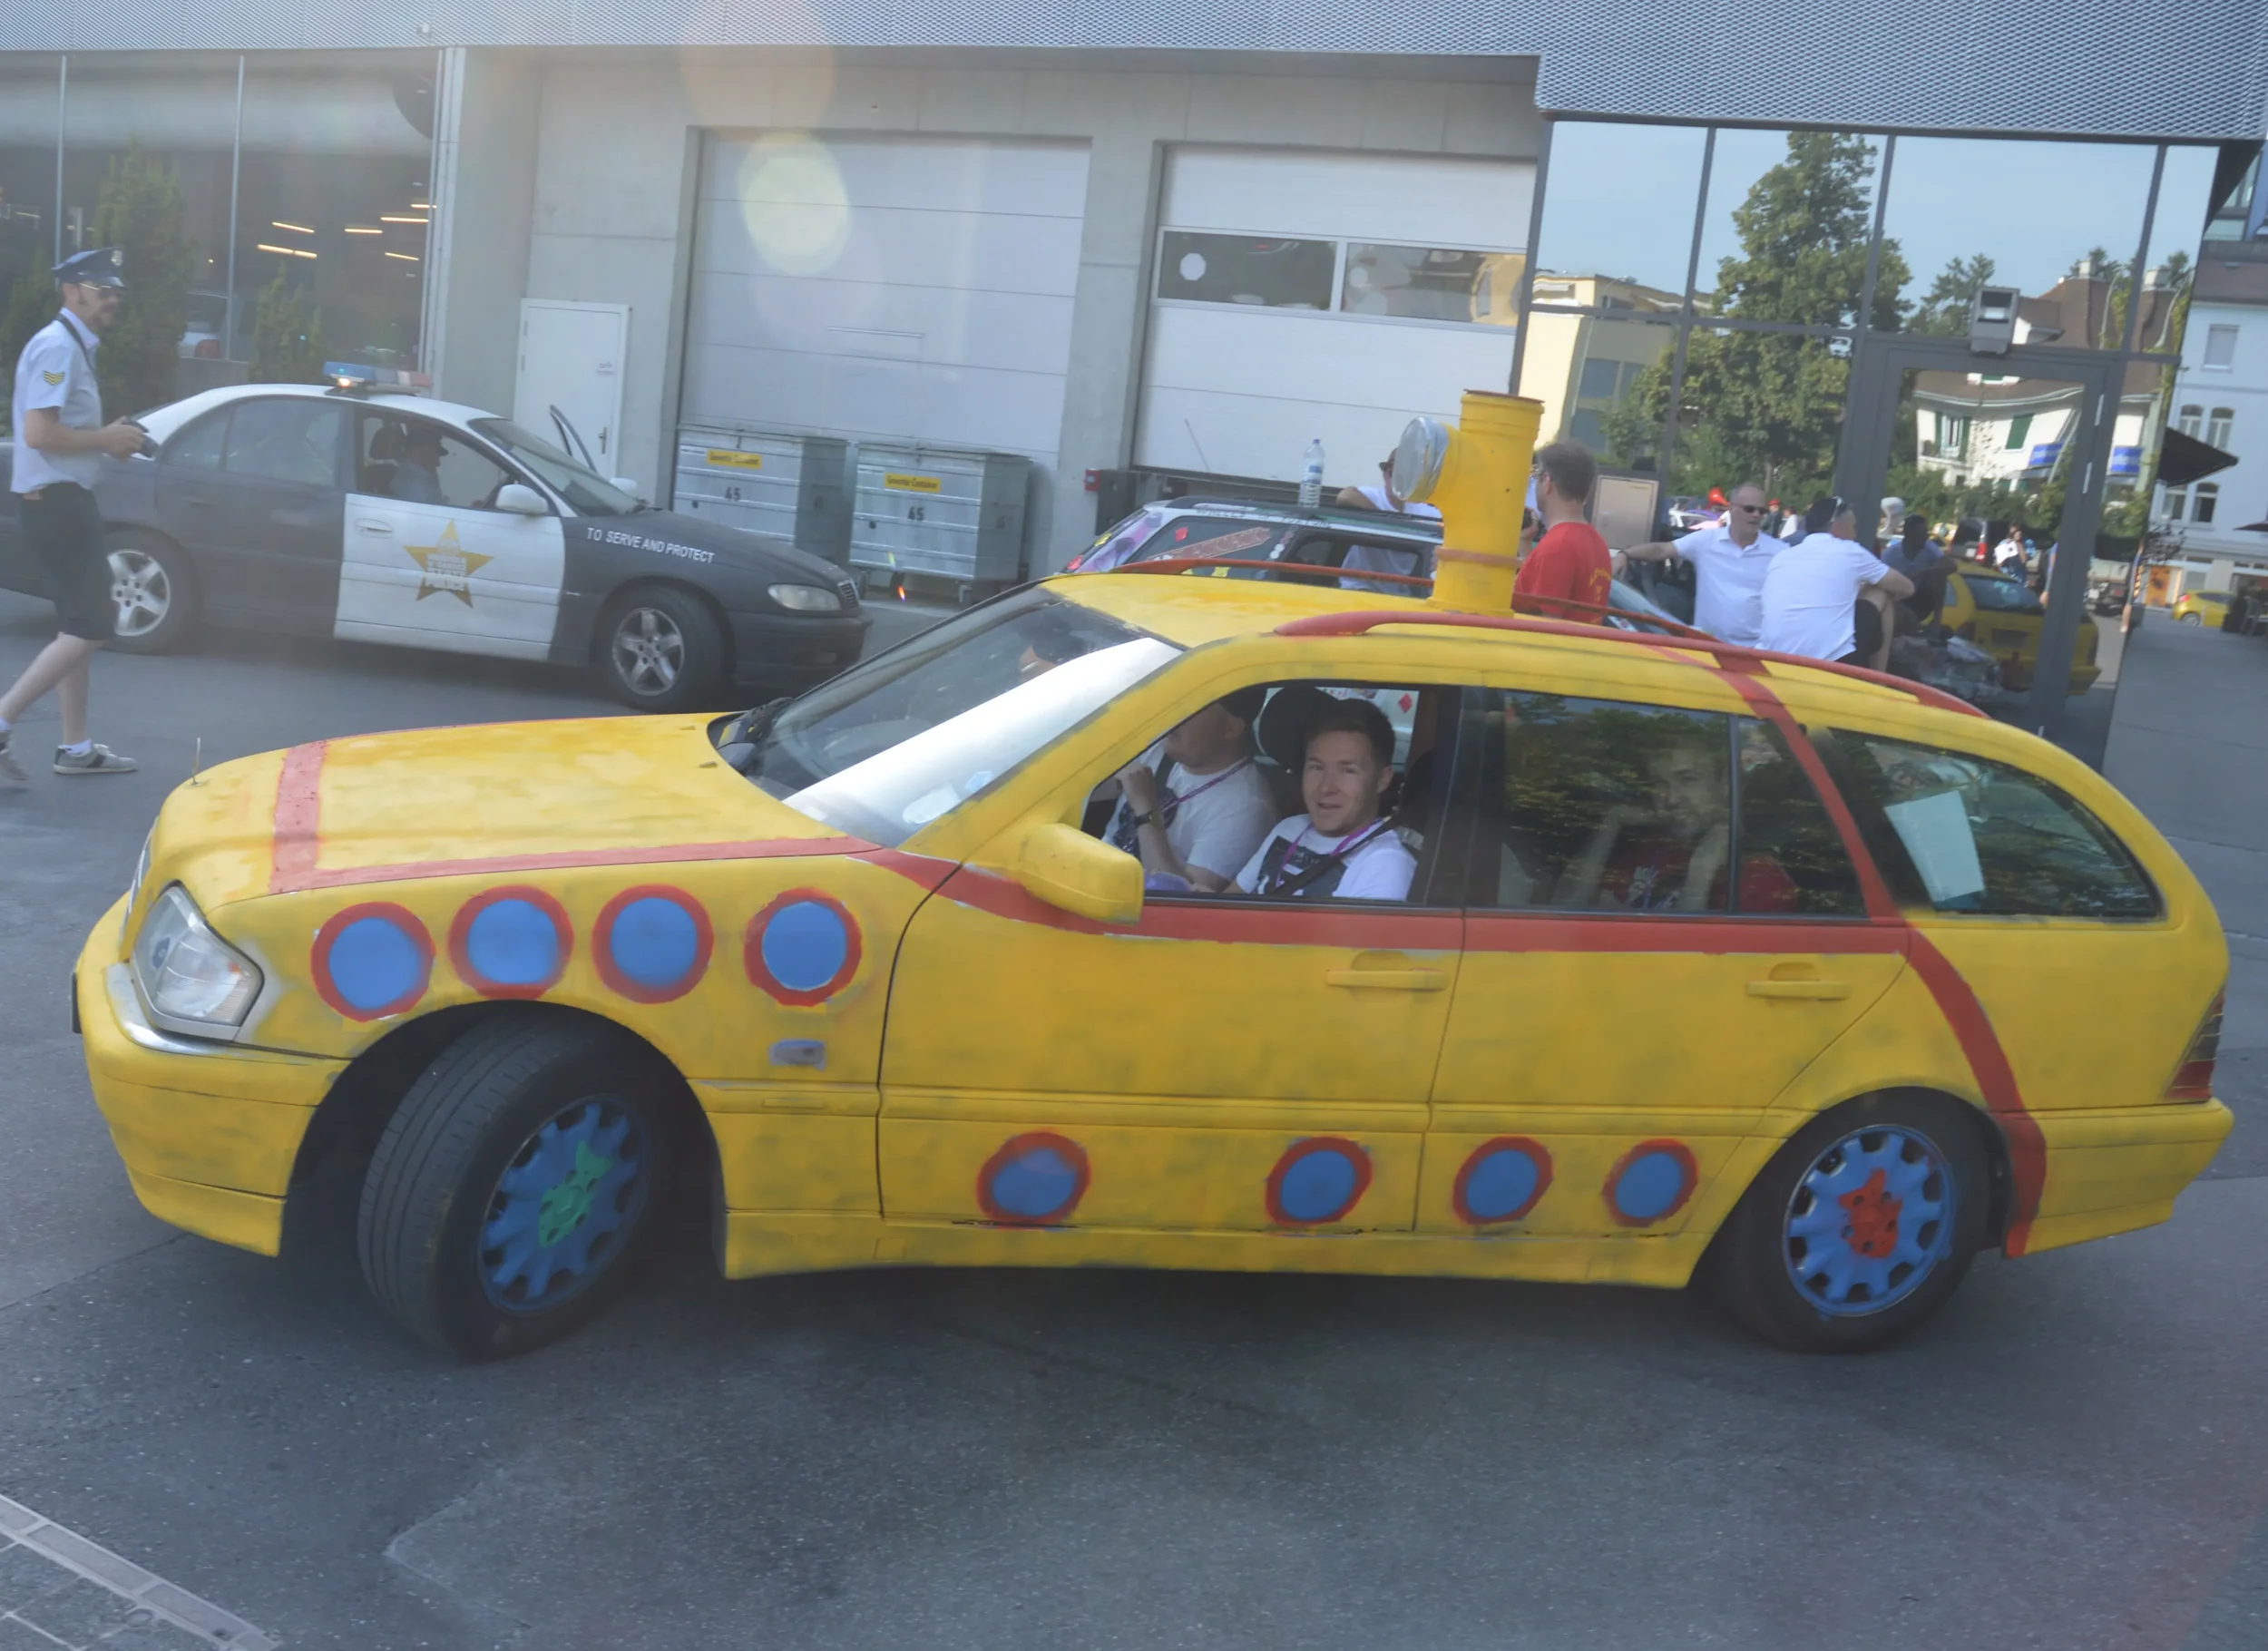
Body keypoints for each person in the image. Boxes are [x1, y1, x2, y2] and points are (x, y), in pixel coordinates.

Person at [0, 248, 147, 783]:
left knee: (76, 626)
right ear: (71, 291)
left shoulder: (70, 347)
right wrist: (105, 439)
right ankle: (3, 719)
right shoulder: (58, 347)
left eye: (116, 292)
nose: (111, 300)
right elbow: (39, 434)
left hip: (60, 502)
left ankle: (75, 747)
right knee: (93, 625)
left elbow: (55, 433)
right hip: (59, 504)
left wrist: (106, 440)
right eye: (101, 290)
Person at [1554, 725, 1797, 913]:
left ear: (1724, 784)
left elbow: (1700, 972)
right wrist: (1611, 823)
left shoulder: (1759, 878)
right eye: (1660, 784)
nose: (1670, 799)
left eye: (1688, 779)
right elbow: (1561, 915)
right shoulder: (1653, 846)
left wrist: (1700, 875)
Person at [1234, 698, 1414, 901]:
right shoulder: (1288, 829)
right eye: (1317, 767)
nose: (1326, 787)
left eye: (1348, 771)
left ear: (1382, 779)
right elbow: (1227, 906)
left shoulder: (1384, 863)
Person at [1100, 689, 1278, 894]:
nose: (1176, 713)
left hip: (1135, 909)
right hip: (1092, 874)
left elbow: (1180, 900)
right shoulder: (1159, 747)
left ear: (1231, 728)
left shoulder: (1248, 807)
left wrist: (1146, 810)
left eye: (1194, 707)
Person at [1615, 480, 1786, 645]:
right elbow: (1662, 550)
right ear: (1732, 509)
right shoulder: (1706, 541)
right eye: (1750, 509)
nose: (1756, 515)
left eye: (1762, 511)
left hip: (1755, 652)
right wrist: (1626, 554)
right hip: (1706, 647)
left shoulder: (1778, 551)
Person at [1758, 497, 1913, 668]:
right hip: (1830, 662)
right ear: (1837, 527)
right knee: (1882, 592)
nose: (1855, 535)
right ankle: (1879, 681)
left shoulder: (1782, 557)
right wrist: (1867, 587)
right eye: (1853, 527)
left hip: (1773, 659)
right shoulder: (1849, 551)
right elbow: (1907, 588)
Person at [1513, 440, 1612, 622]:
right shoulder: (1597, 542)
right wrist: (1525, 543)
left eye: (1537, 476)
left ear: (1548, 482)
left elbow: (1544, 625)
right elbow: (1541, 591)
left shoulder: (1557, 547)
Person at [1334, 453, 1441, 592]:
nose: (1397, 479)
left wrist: (1441, 554)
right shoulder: (1372, 497)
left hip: (1399, 595)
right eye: (1392, 473)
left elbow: (1451, 531)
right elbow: (1345, 496)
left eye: (1404, 473)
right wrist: (1386, 518)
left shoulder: (1424, 511)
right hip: (1358, 588)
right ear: (1385, 475)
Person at [1883, 512, 1951, 626]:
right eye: (1922, 533)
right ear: (1909, 534)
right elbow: (1883, 586)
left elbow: (1951, 566)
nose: (1926, 537)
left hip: (1920, 599)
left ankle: (1936, 622)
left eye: (1926, 533)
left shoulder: (1929, 547)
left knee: (1938, 575)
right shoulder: (1890, 555)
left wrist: (1923, 570)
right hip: (1898, 600)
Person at [394, 426, 448, 505]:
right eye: (432, 455)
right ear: (417, 453)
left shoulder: (417, 476)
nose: (438, 464)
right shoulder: (415, 486)